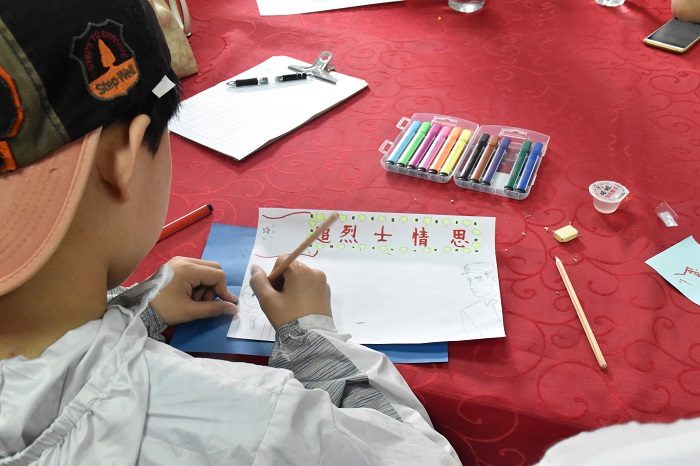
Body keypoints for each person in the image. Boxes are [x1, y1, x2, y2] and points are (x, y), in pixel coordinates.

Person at [0, 1, 461, 464]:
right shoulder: (260, 426)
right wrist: (314, 340)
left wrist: (139, 311)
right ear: (127, 157)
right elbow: (423, 456)